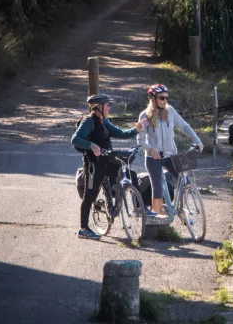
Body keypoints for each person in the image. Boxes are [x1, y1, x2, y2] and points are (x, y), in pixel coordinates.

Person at [71, 93, 143, 240]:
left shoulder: (104, 121)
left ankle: (139, 208)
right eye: (108, 105)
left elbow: (120, 133)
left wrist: (136, 130)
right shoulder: (88, 122)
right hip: (93, 165)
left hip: (107, 161)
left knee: (131, 175)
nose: (110, 107)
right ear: (99, 107)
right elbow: (75, 139)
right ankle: (83, 229)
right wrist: (91, 145)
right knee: (89, 197)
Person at [138, 84, 203, 217]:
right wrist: (150, 149)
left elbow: (184, 127)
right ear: (153, 99)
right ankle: (158, 219)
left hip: (170, 155)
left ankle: (180, 209)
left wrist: (197, 141)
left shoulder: (171, 111)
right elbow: (140, 140)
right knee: (158, 188)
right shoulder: (145, 115)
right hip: (153, 158)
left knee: (185, 180)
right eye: (162, 98)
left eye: (167, 97)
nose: (165, 100)